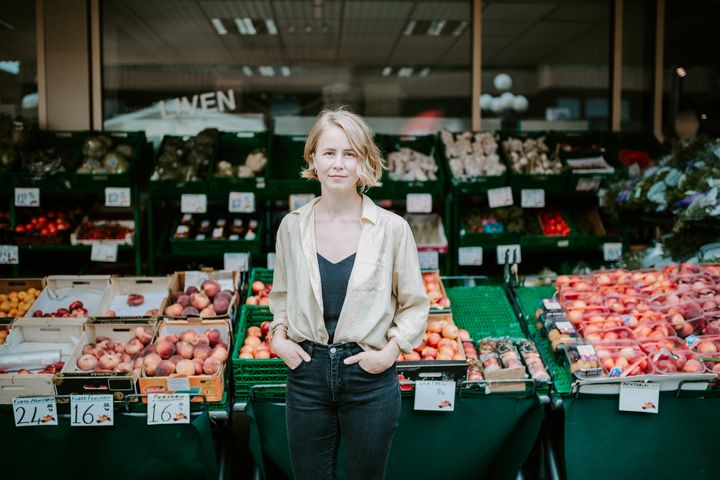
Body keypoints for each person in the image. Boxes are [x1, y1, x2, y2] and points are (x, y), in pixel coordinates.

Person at [268, 107, 430, 480]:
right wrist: (278, 337)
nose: (338, 164)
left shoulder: (392, 229)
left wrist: (389, 353)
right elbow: (281, 295)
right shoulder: (292, 227)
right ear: (313, 158)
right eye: (329, 153)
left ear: (364, 161)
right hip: (306, 373)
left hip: (369, 378)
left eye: (350, 154)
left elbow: (415, 305)